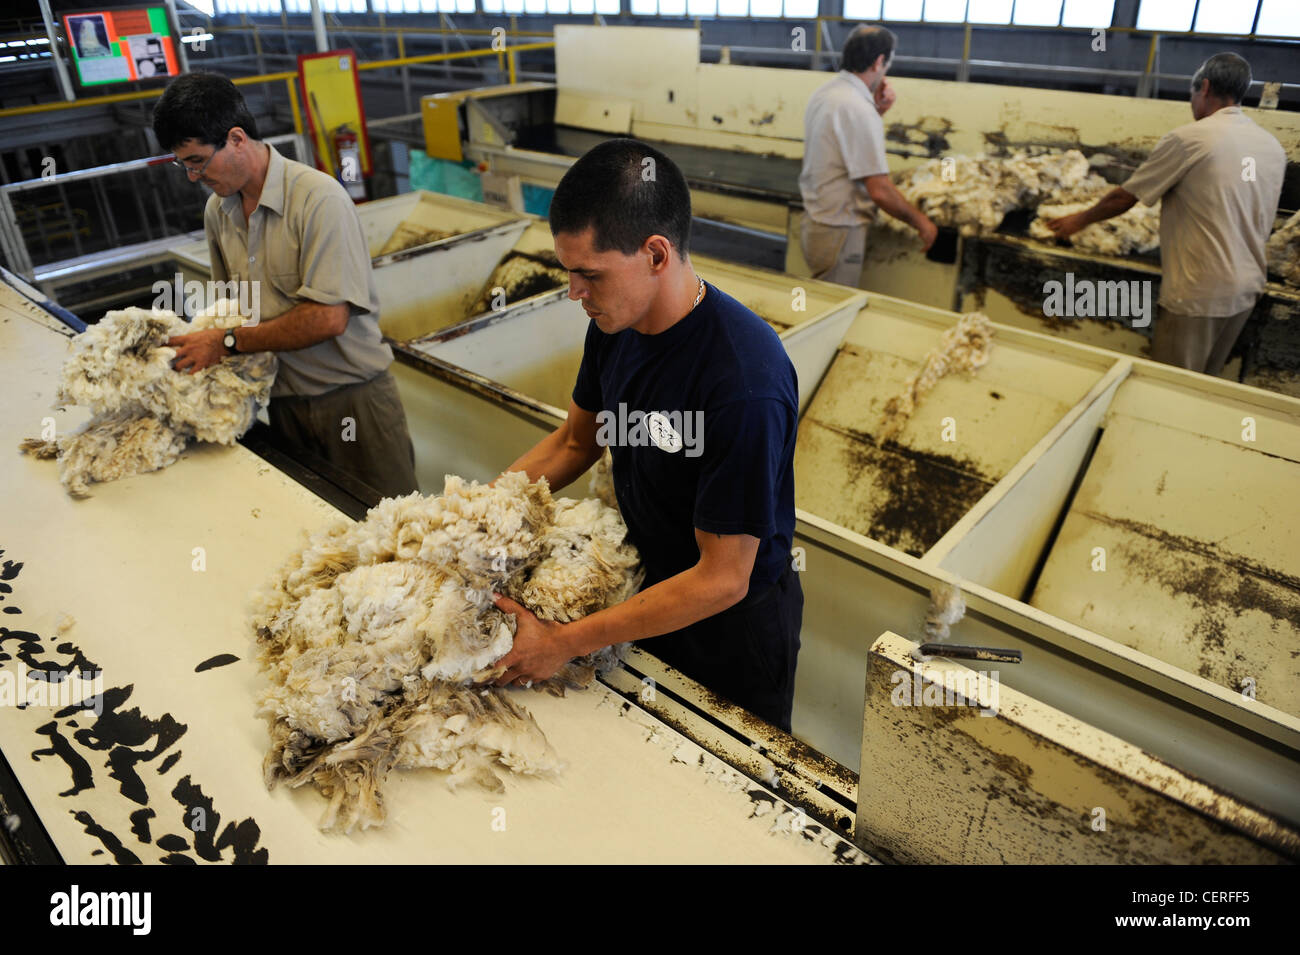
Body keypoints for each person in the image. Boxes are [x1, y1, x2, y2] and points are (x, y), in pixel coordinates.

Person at [491, 138, 804, 732]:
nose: (574, 293)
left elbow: (721, 578)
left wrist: (564, 641)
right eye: (570, 273)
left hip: (727, 634)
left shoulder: (742, 379)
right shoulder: (615, 323)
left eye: (590, 275)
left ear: (657, 253)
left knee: (724, 793)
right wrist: (470, 519)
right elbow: (575, 443)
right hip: (646, 596)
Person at [152, 72, 419, 499]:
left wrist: (224, 343)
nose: (192, 175)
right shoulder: (218, 213)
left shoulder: (318, 200)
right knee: (325, 533)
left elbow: (328, 319)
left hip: (352, 402)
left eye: (198, 160)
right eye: (183, 163)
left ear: (237, 138)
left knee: (394, 526)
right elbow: (230, 310)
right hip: (282, 404)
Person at [1048, 53, 1285, 376]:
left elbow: (1123, 198)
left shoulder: (1190, 139)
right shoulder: (1270, 145)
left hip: (1200, 291)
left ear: (1204, 88)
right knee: (1206, 385)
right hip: (1247, 287)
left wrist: (1078, 220)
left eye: (1191, 95)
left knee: (1170, 387)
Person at [798, 24, 937, 286]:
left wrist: (878, 111)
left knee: (822, 299)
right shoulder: (857, 107)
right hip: (840, 231)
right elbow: (879, 190)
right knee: (834, 312)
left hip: (818, 223)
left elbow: (846, 145)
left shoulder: (826, 93)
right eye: (887, 63)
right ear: (879, 61)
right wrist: (921, 223)